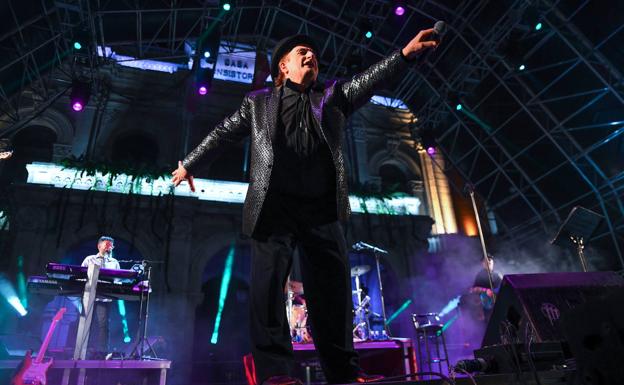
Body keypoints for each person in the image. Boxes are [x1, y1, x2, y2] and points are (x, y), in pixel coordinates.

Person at [172, 28, 439, 385]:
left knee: (333, 293)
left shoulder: (333, 96)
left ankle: (344, 373)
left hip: (320, 208)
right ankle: (276, 375)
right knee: (267, 292)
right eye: (303, 52)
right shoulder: (257, 103)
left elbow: (370, 79)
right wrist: (190, 162)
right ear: (283, 65)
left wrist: (404, 54)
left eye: (314, 53)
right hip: (273, 208)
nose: (312, 55)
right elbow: (223, 132)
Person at [81, 236, 120, 357]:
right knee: (86, 324)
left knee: (103, 325)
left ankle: (102, 352)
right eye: (107, 245)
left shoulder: (114, 262)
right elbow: (80, 275)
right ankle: (83, 350)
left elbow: (118, 280)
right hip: (89, 296)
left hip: (104, 298)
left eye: (111, 245)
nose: (109, 247)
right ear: (99, 246)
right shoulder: (90, 259)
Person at [470, 255, 503, 320]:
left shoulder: (498, 274)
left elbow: (503, 288)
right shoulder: (480, 275)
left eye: (490, 259)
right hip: (485, 307)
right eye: (486, 260)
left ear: (493, 263)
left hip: (497, 305)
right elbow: (472, 290)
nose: (488, 260)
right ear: (482, 264)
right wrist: (485, 290)